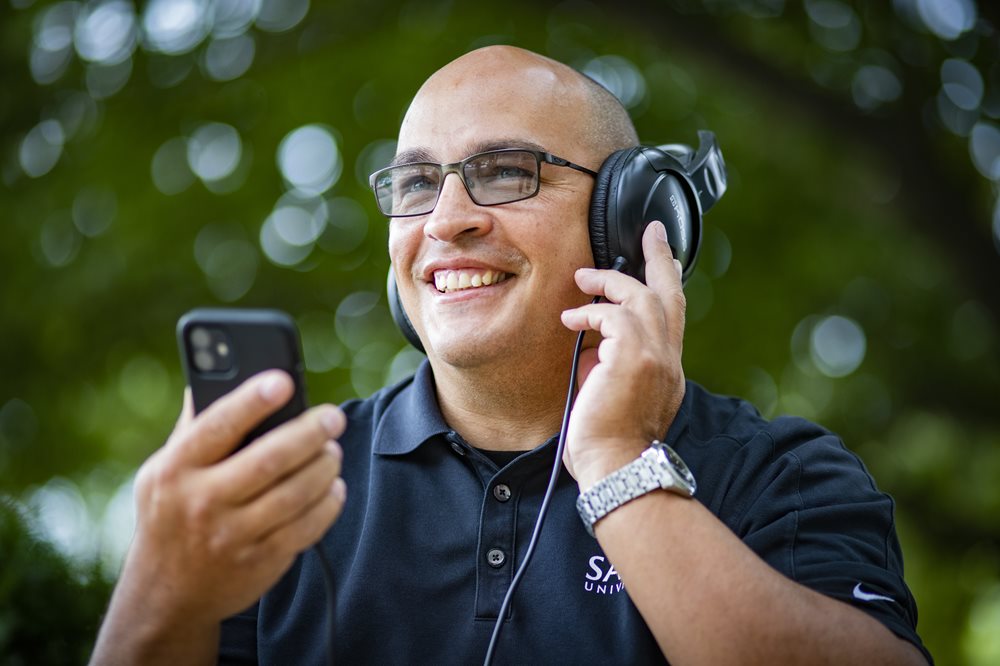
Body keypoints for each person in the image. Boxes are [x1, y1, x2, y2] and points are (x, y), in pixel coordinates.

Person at [91, 46, 931, 664]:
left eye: (505, 172)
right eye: (416, 184)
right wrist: (160, 592)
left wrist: (616, 463)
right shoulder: (289, 484)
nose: (445, 219)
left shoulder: (784, 474)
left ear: (635, 226)